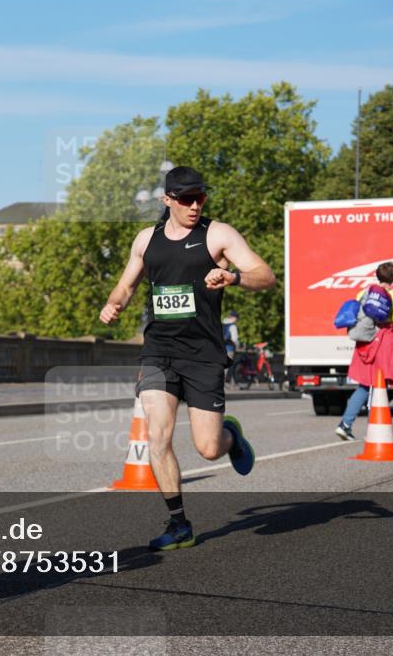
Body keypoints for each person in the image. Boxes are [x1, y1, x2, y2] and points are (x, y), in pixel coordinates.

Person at [99, 166, 276, 550]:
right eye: (186, 200)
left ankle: (231, 436)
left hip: (203, 355)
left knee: (208, 448)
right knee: (157, 437)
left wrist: (234, 278)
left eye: (200, 198)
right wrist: (114, 304)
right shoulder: (147, 240)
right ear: (167, 200)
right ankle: (179, 524)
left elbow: (265, 275)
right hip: (159, 351)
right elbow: (125, 286)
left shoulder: (218, 234)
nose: (195, 206)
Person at [335, 262, 393, 440]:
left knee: (365, 385)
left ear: (377, 276)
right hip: (384, 340)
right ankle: (376, 429)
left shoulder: (363, 292)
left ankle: (345, 424)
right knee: (380, 385)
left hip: (365, 342)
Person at [221, 310, 240, 385]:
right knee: (227, 366)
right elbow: (234, 339)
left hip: (220, 347)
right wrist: (238, 346)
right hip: (229, 348)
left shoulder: (223, 323)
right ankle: (222, 383)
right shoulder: (232, 326)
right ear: (235, 318)